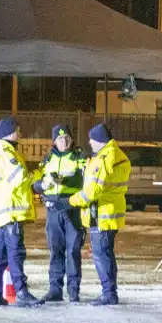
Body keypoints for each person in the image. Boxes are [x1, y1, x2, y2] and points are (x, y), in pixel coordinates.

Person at [0, 118, 44, 308]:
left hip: (2, 213)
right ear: (9, 132)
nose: (20, 133)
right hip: (11, 211)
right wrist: (40, 175)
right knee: (16, 253)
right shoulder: (6, 153)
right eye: (17, 130)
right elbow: (20, 178)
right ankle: (21, 292)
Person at [70, 123, 130, 306]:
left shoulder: (103, 159)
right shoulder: (116, 154)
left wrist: (71, 201)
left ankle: (108, 293)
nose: (89, 142)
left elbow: (92, 192)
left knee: (101, 254)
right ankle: (110, 291)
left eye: (91, 139)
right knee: (106, 253)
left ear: (99, 140)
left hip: (101, 214)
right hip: (110, 212)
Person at [31, 124, 87, 303]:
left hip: (72, 208)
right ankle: (55, 290)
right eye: (60, 138)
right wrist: (42, 185)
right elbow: (34, 183)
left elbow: (85, 179)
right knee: (55, 250)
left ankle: (73, 291)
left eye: (67, 138)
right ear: (54, 141)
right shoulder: (47, 160)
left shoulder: (80, 157)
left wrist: (64, 180)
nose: (64, 141)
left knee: (73, 251)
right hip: (53, 209)